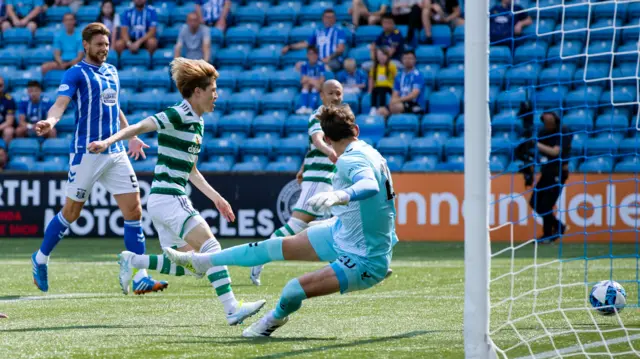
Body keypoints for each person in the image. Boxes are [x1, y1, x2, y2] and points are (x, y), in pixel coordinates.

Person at [165, 104, 398, 337]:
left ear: (326, 138)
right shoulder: (370, 151)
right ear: (356, 129)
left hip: (364, 259)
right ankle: (201, 262)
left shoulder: (349, 160)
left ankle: (272, 321)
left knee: (292, 290)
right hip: (342, 233)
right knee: (271, 246)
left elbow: (369, 185)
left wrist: (338, 195)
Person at [88, 57, 266, 325]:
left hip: (164, 200)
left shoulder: (198, 122)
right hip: (169, 198)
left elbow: (192, 171)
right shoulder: (178, 113)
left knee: (192, 266)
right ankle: (232, 309)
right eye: (213, 90)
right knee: (211, 248)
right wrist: (108, 141)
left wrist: (217, 198)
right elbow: (139, 126)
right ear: (197, 92)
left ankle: (133, 261)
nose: (217, 96)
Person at [30, 23, 165, 295]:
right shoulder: (76, 73)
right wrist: (50, 120)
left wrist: (130, 136)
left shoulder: (112, 71)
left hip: (114, 152)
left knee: (134, 210)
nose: (104, 49)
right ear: (86, 46)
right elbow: (60, 104)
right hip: (87, 153)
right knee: (71, 213)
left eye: (106, 44)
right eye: (99, 45)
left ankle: (140, 275)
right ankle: (40, 258)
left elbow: (114, 107)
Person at [249, 80, 342, 286]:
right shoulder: (318, 116)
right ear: (322, 95)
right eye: (331, 93)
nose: (336, 97)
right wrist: (331, 154)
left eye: (339, 93)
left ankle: (347, 265)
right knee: (296, 226)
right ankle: (259, 256)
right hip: (318, 180)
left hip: (330, 180)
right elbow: (317, 141)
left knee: (337, 224)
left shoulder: (339, 118)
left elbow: (311, 148)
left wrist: (302, 167)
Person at [530, 112, 572, 244]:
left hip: (558, 172)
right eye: (545, 121)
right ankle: (559, 226)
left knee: (545, 205)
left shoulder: (563, 131)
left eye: (550, 121)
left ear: (555, 120)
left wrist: (535, 144)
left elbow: (555, 152)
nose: (547, 124)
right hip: (547, 171)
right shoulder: (543, 132)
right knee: (534, 202)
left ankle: (547, 234)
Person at [281, 9, 346, 72]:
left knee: (323, 69)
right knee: (299, 66)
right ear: (323, 18)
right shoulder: (318, 31)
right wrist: (290, 47)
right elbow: (306, 44)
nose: (329, 19)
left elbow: (340, 49)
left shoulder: (339, 31)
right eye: (327, 17)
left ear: (335, 19)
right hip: (318, 61)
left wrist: (328, 58)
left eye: (331, 17)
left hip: (333, 60)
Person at [379, 50, 424, 117]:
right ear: (402, 60)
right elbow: (395, 93)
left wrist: (397, 100)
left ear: (415, 60)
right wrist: (393, 101)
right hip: (400, 102)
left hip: (414, 104)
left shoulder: (418, 75)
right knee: (381, 111)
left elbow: (414, 94)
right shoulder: (399, 76)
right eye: (405, 58)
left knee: (396, 107)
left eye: (410, 58)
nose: (407, 60)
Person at [296, 46, 326, 115]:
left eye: (314, 54)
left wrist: (309, 79)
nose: (313, 56)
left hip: (317, 87)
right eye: (310, 54)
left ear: (317, 55)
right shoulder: (304, 65)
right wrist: (314, 81)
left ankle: (311, 108)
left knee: (315, 87)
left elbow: (321, 81)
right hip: (310, 85)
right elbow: (303, 80)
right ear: (307, 55)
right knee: (305, 85)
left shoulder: (320, 65)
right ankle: (303, 107)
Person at [368, 48, 397, 116]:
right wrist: (369, 90)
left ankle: (382, 107)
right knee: (374, 91)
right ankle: (373, 108)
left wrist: (395, 89)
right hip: (377, 86)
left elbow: (396, 78)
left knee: (382, 90)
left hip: (388, 87)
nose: (381, 57)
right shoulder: (375, 67)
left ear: (387, 56)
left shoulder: (391, 66)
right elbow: (371, 79)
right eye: (379, 55)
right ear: (377, 56)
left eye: (384, 55)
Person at [0, 76, 16, 145]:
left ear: (3, 86)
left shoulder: (9, 99)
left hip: (3, 126)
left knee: (9, 131)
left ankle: (5, 151)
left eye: (0, 85)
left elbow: (9, 121)